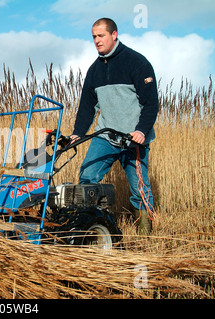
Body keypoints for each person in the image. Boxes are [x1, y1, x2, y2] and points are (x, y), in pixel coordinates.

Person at [70, 18, 159, 235]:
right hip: (106, 136)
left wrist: (141, 131)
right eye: (94, 37)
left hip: (132, 137)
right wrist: (77, 133)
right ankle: (91, 226)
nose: (97, 41)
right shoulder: (94, 71)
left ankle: (145, 232)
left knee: (139, 188)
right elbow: (87, 107)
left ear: (114, 34)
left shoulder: (137, 62)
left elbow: (151, 103)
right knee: (87, 177)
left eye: (101, 36)